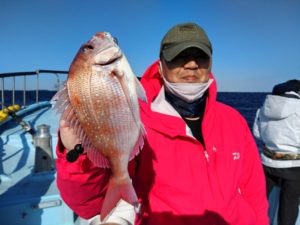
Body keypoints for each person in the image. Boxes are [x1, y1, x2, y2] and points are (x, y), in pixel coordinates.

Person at [56, 22, 269, 225]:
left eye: (200, 57)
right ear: (160, 66)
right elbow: (90, 203)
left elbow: (254, 192)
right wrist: (77, 152)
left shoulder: (233, 120)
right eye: (179, 57)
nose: (192, 65)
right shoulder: (137, 122)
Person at [253, 79, 300, 225]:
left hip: (267, 164)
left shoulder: (263, 108)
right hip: (294, 167)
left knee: (260, 202)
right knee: (289, 205)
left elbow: (257, 134)